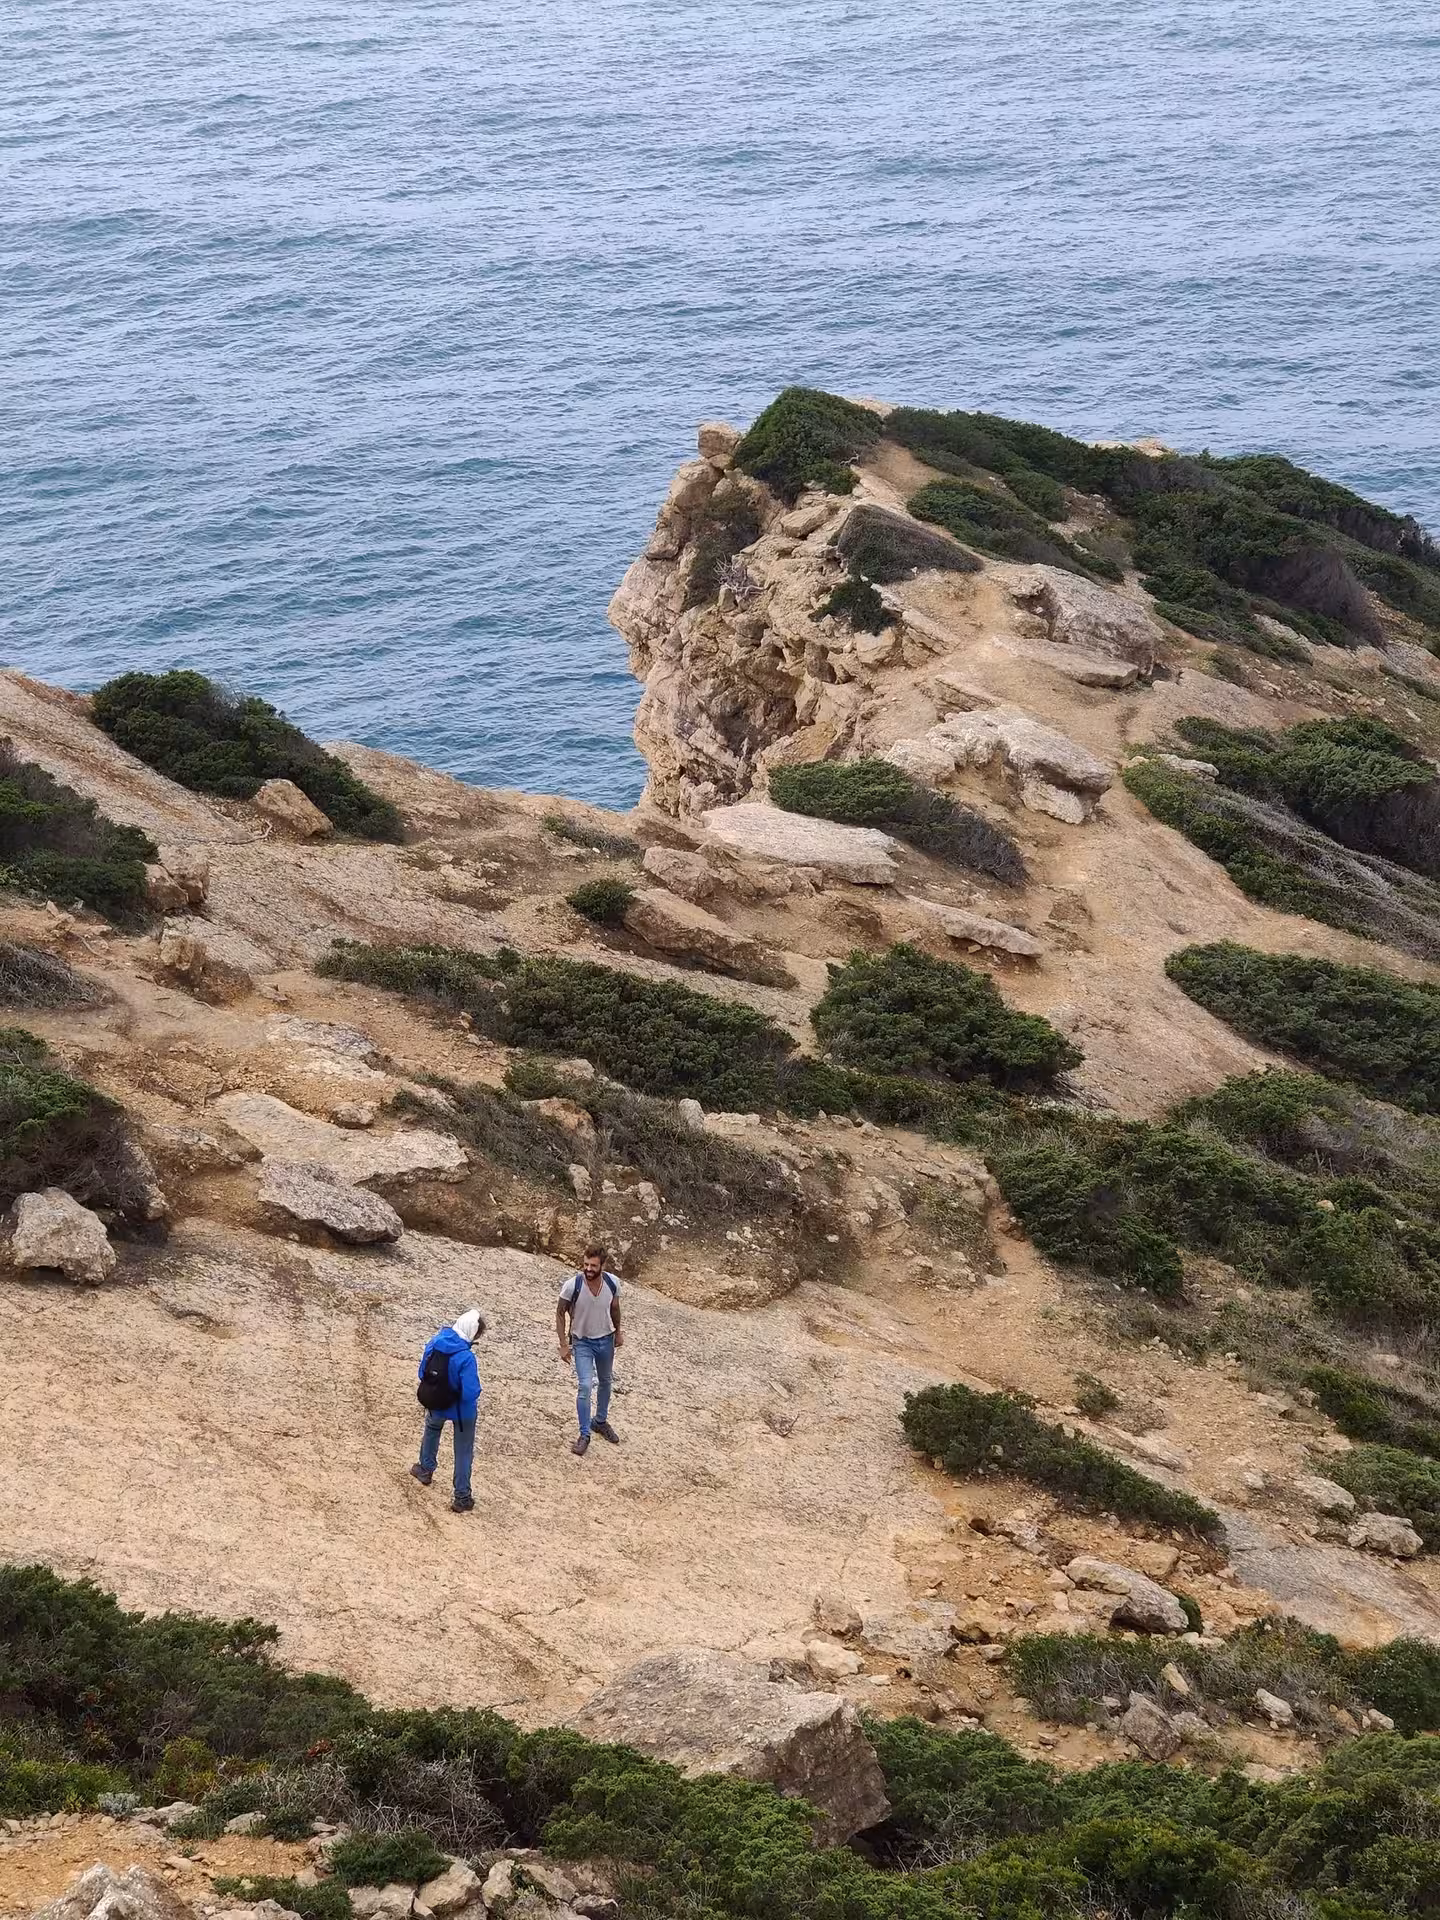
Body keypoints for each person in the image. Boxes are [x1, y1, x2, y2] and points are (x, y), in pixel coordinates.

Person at [410, 1307, 485, 1512]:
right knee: (462, 1451)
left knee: (432, 1430)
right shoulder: (466, 1357)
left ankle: (425, 1469)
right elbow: (471, 1392)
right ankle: (462, 1496)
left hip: (436, 1402)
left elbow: (421, 1371)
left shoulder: (436, 1342)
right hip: (462, 1411)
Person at [556, 1245, 623, 1456]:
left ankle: (600, 1421)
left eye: (593, 1265)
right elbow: (560, 1313)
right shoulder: (572, 1285)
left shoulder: (612, 1283)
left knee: (605, 1381)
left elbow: (615, 1308)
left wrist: (618, 1332)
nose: (588, 1269)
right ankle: (584, 1433)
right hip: (582, 1342)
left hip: (606, 1339)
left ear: (602, 1265)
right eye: (586, 1264)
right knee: (585, 1386)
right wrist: (563, 1344)